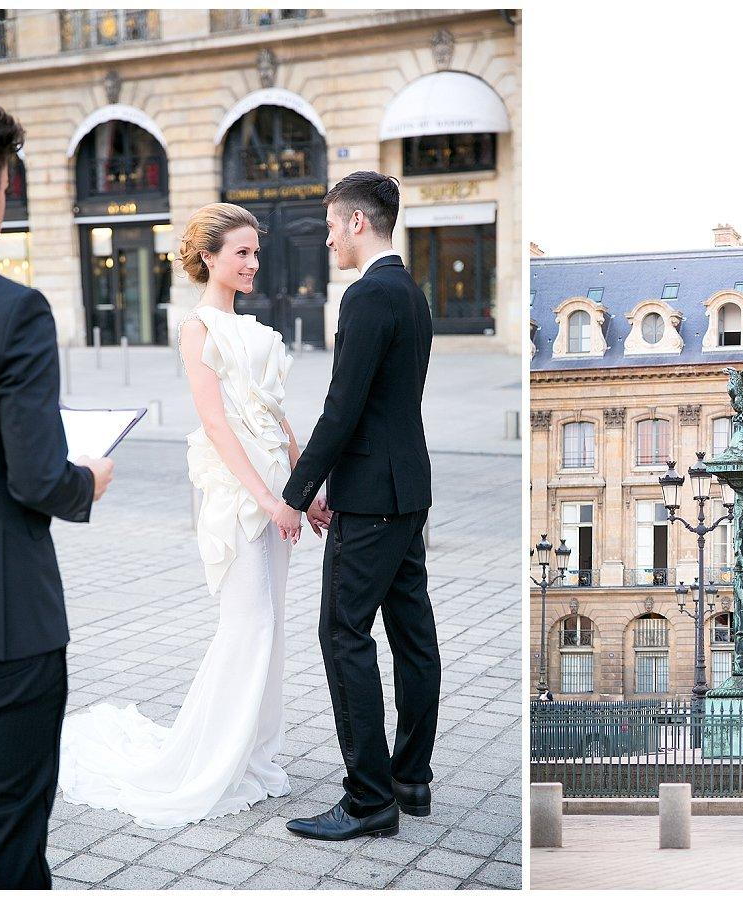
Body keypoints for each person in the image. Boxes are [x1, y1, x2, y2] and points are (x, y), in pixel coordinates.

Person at [58, 203, 302, 828]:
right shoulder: (198, 329)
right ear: (210, 258)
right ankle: (211, 762)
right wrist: (268, 499)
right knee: (248, 623)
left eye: (255, 252)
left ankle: (259, 760)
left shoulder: (253, 329)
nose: (252, 263)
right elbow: (218, 425)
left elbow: (273, 412)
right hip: (235, 489)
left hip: (276, 483)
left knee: (272, 626)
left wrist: (303, 485)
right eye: (241, 252)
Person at [0, 98, 114, 889]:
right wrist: (90, 479)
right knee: (7, 850)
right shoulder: (14, 309)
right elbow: (38, 477)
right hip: (0, 627)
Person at [273, 171, 440, 841]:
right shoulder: (412, 292)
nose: (327, 239)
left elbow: (343, 409)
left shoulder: (369, 296)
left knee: (343, 634)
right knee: (413, 637)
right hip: (407, 489)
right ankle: (411, 778)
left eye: (332, 226)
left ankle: (369, 799)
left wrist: (296, 493)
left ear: (357, 224)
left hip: (370, 498)